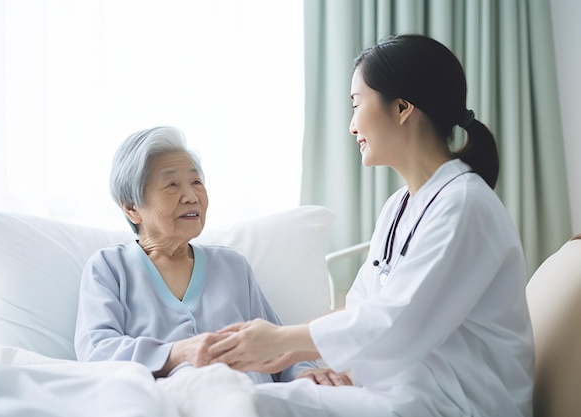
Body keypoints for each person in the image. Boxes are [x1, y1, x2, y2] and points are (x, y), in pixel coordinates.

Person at [208, 34, 535, 416]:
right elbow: (363, 308)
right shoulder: (400, 205)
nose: (351, 126)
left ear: (401, 108)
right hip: (400, 396)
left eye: (356, 104)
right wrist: (309, 361)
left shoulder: (464, 206)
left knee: (245, 404)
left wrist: (281, 340)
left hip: (456, 405)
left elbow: (400, 325)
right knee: (224, 396)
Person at [73, 126, 326, 384]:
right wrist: (176, 353)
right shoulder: (109, 268)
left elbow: (277, 344)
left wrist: (304, 372)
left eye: (196, 182)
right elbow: (97, 351)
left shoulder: (233, 267)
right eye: (171, 185)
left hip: (258, 400)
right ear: (131, 207)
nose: (191, 196)